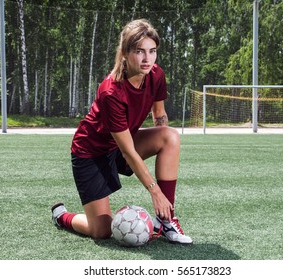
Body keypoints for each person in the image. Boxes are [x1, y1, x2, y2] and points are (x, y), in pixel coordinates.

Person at [51, 19, 192, 245]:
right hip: (91, 153)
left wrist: (164, 150)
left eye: (152, 51)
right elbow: (128, 153)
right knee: (102, 231)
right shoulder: (111, 92)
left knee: (170, 137)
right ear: (126, 52)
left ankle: (166, 221)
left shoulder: (156, 75)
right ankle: (62, 217)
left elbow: (159, 115)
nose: (148, 59)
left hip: (121, 144)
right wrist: (155, 192)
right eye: (140, 51)